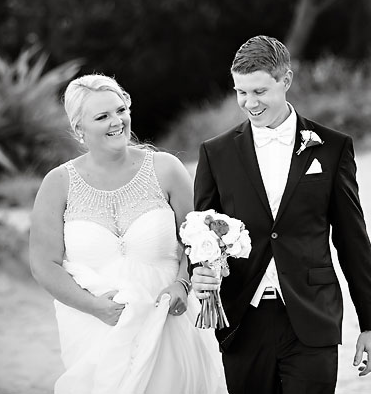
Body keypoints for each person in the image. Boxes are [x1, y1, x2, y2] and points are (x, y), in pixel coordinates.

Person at [191, 35, 371, 393]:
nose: (250, 103)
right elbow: (202, 236)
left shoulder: (332, 148)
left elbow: (352, 240)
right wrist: (201, 272)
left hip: (312, 316)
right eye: (241, 92)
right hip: (242, 320)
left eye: (260, 91)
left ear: (286, 81)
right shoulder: (215, 153)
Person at [29, 74, 225, 394]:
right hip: (95, 328)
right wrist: (94, 306)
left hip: (168, 320)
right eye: (102, 116)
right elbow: (43, 264)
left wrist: (182, 282)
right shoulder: (58, 183)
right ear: (79, 128)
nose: (116, 121)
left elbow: (199, 241)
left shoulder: (166, 169)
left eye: (120, 110)